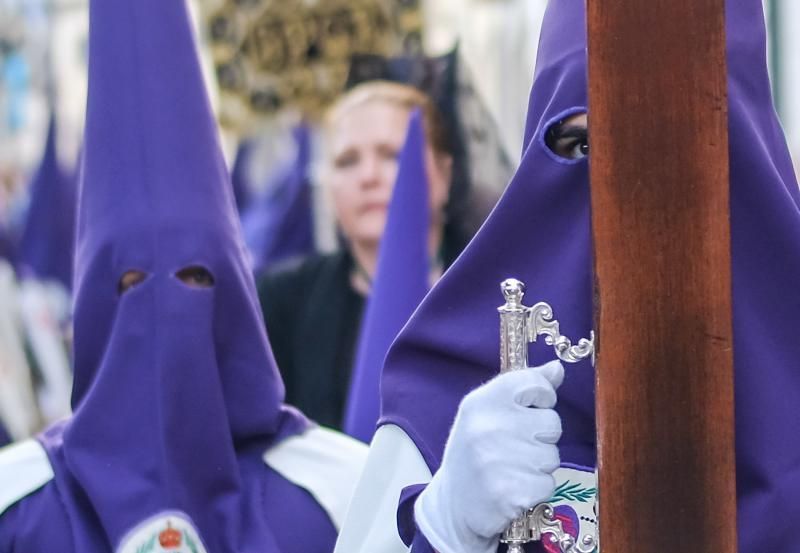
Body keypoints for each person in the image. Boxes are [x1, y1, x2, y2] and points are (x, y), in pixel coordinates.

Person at [334, 0, 800, 552]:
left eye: (672, 146)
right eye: (583, 146)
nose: (628, 193)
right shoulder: (451, 398)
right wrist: (444, 526)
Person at [0, 0, 366, 551]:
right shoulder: (19, 504)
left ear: (236, 296)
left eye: (196, 278)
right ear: (96, 306)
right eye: (131, 284)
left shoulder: (342, 488)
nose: (166, 304)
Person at [257, 81, 457, 430]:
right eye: (347, 161)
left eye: (393, 155)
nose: (368, 177)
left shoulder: (492, 288)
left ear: (443, 174)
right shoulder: (281, 300)